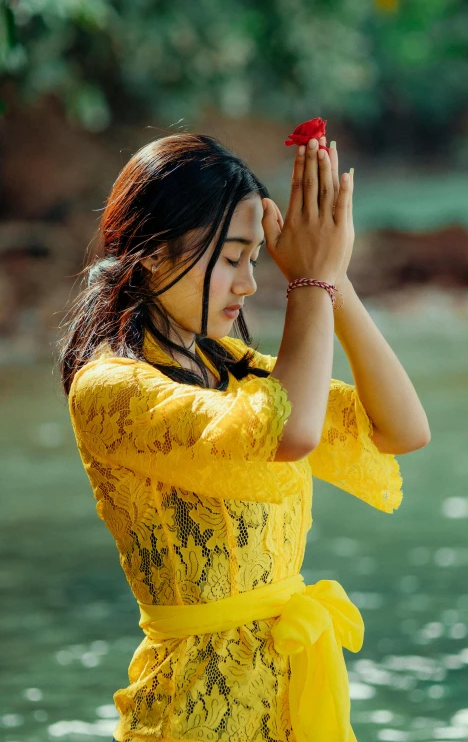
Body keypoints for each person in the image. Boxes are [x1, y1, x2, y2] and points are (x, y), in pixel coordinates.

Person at [58, 131, 416, 742]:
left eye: (257, 258)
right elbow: (291, 431)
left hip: (288, 701)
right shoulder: (110, 389)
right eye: (230, 258)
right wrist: (307, 285)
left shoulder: (233, 369)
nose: (250, 284)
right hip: (194, 712)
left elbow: (402, 428)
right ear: (153, 252)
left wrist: (333, 277)